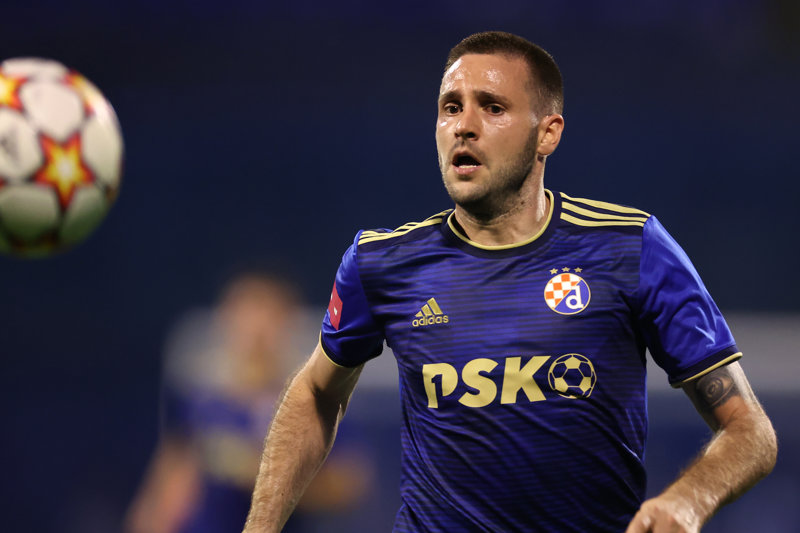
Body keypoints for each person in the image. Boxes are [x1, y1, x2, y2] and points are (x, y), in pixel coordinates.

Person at [243, 31, 777, 533]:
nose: (464, 125)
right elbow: (316, 391)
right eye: (451, 107)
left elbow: (750, 431)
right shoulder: (382, 263)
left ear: (548, 133)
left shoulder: (630, 248)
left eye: (492, 107)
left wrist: (687, 500)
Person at [125, 272, 372, 533]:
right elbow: (167, 490)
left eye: (268, 318)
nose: (255, 333)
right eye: (245, 318)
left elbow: (348, 485)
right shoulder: (202, 404)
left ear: (288, 324)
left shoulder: (315, 401)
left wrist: (262, 474)